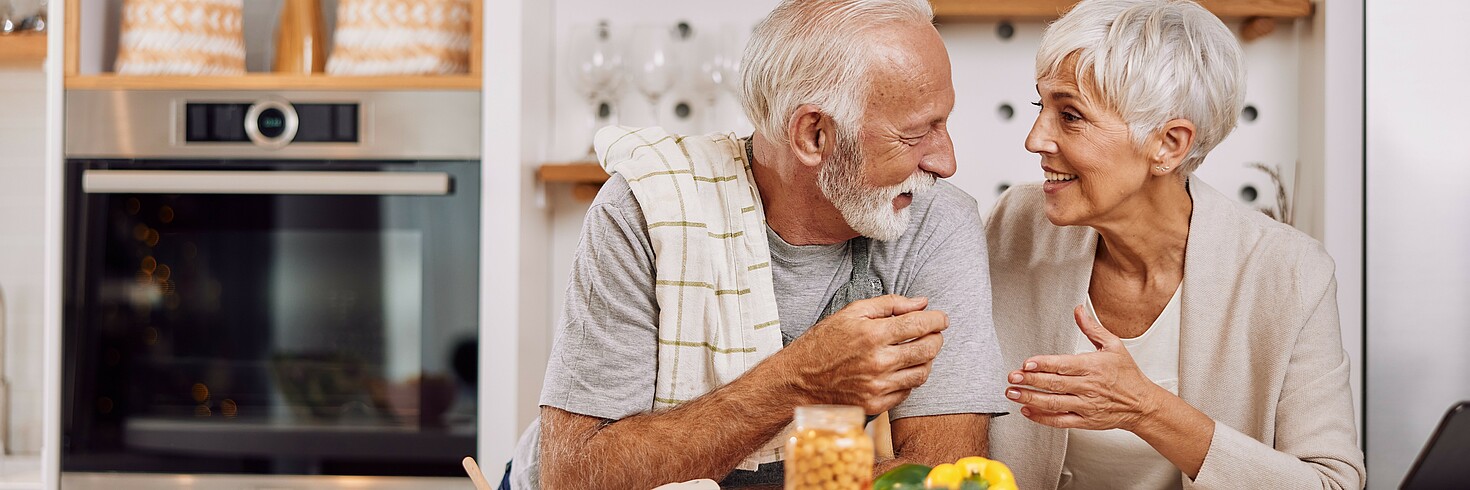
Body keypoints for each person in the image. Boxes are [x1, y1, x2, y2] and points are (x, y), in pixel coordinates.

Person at [506, 0, 1010, 488]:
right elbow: (574, 476)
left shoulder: (936, 219)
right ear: (814, 135)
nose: (946, 162)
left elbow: (945, 474)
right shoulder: (645, 206)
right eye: (916, 134)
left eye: (943, 122)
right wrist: (797, 380)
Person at [985, 0, 1366, 488]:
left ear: (1169, 145)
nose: (1036, 139)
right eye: (1043, 107)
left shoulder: (1288, 273)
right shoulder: (1017, 223)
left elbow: (1333, 484)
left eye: (1072, 115)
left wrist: (1146, 409)